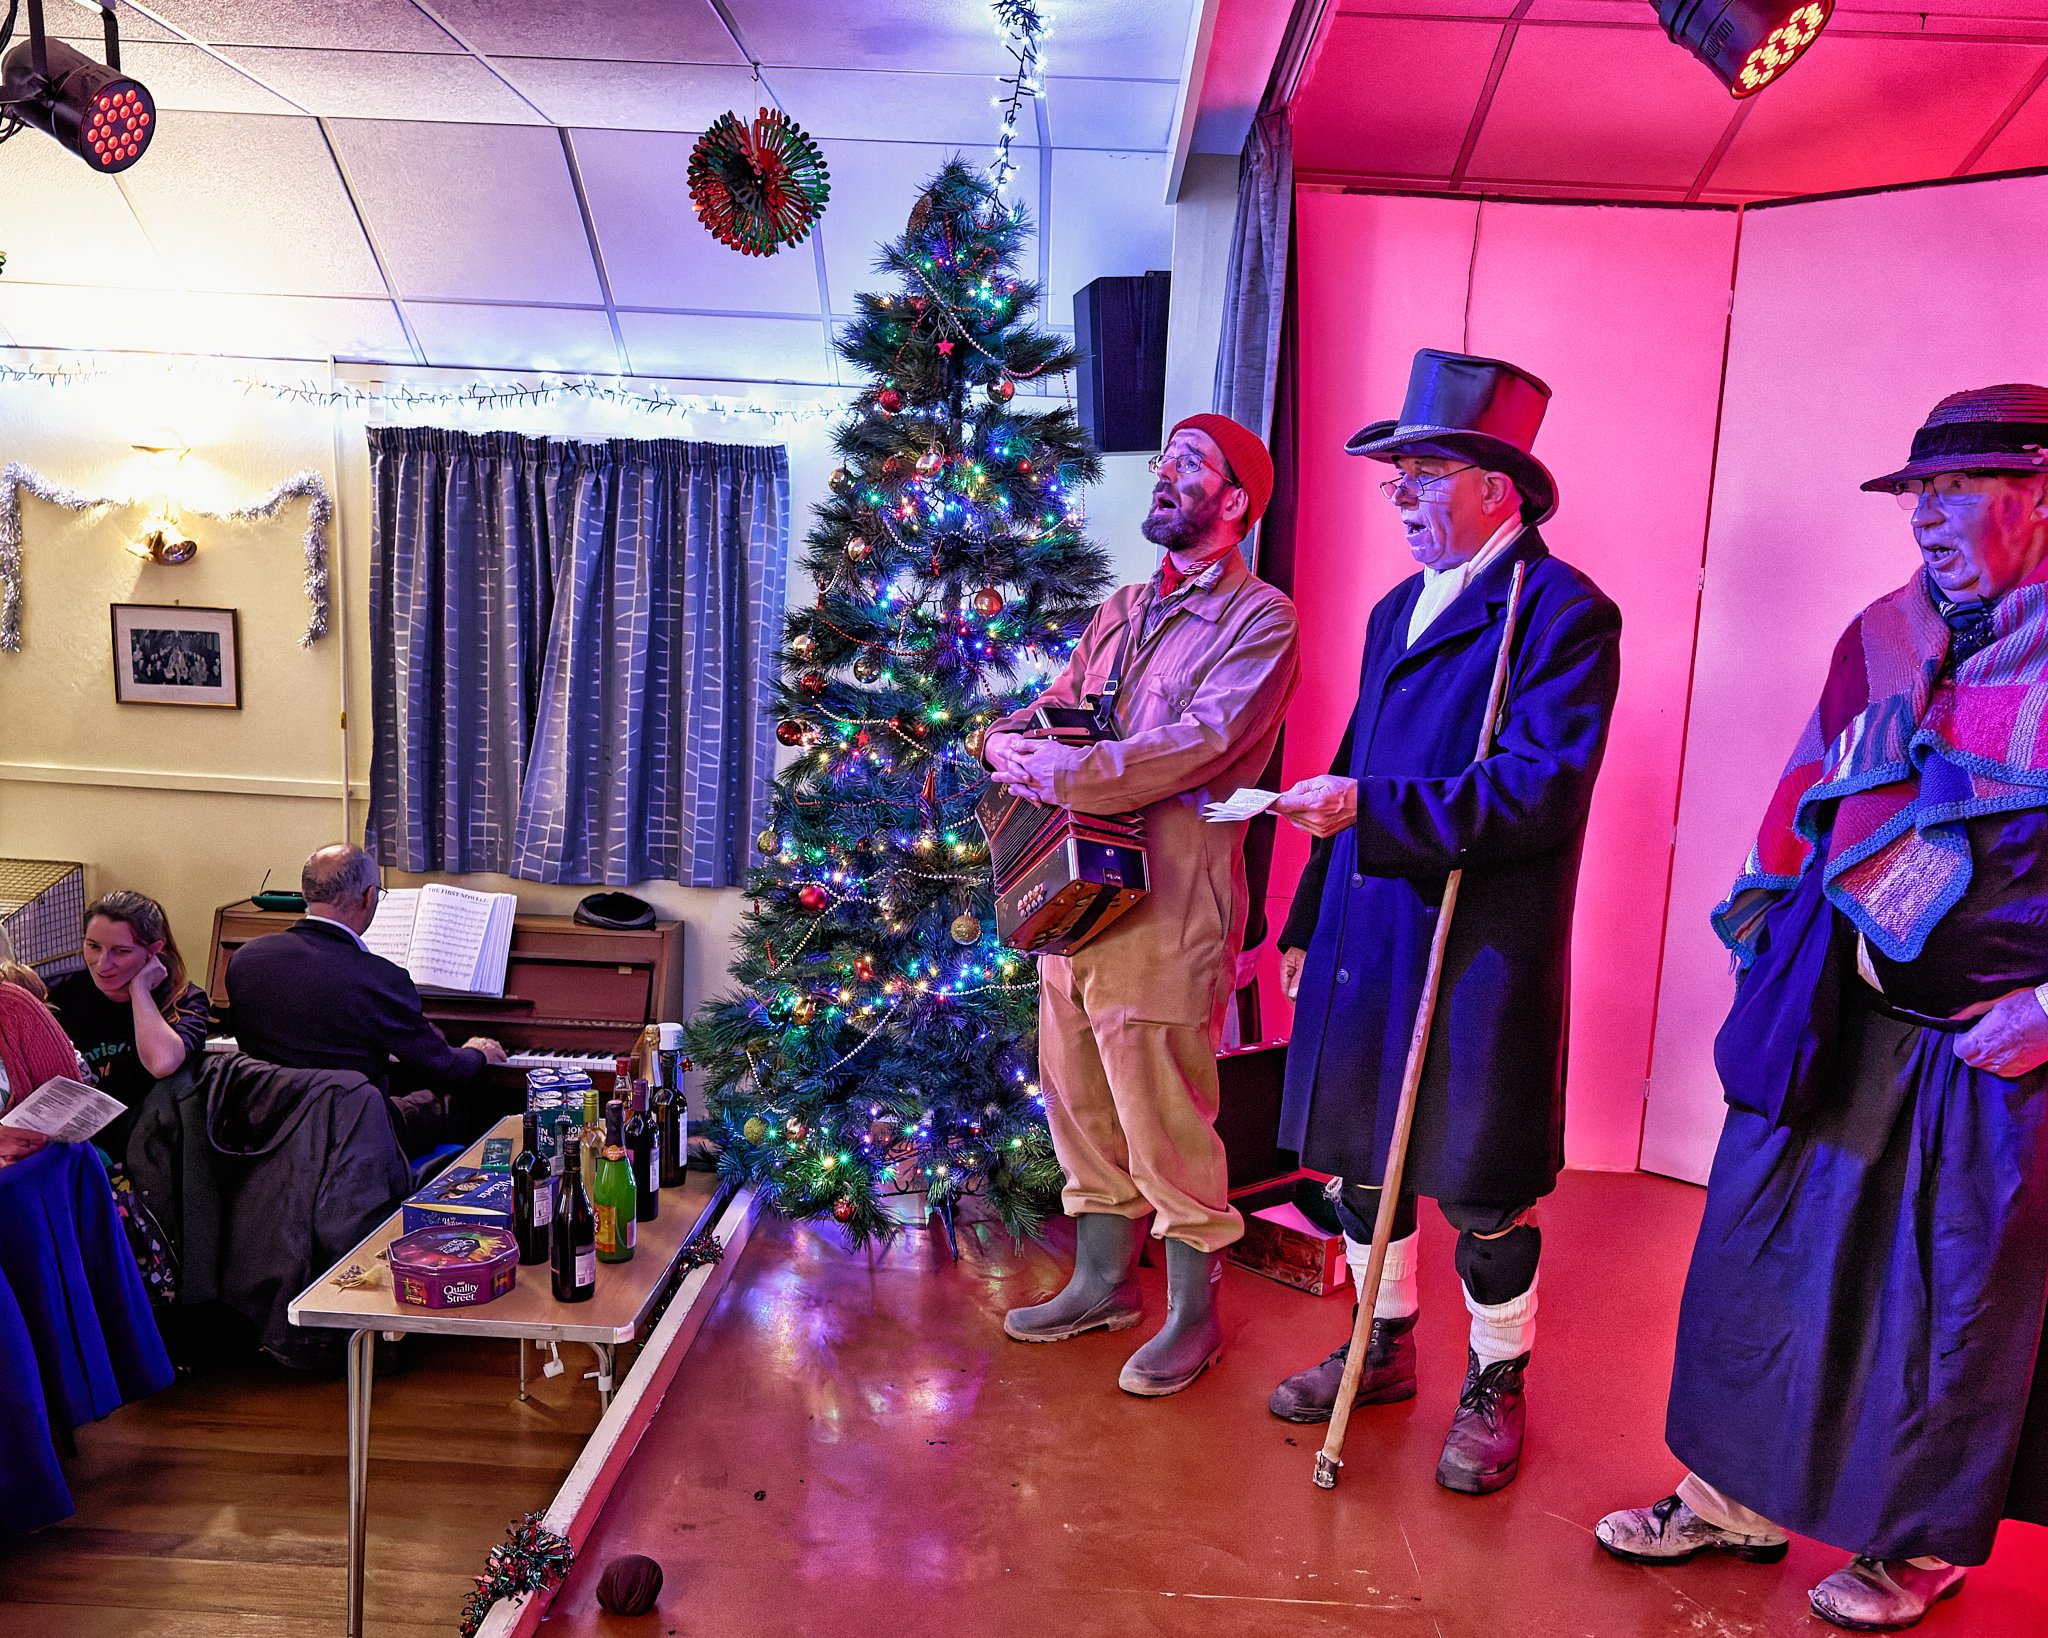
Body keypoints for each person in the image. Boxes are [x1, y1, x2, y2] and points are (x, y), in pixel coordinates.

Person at [1596, 384, 2048, 1631]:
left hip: (1992, 1048)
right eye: (1917, 495)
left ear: (2041, 496)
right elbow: (1809, 779)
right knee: (1760, 1261)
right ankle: (1731, 1492)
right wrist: (1770, 943)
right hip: (1839, 1011)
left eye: (1957, 491)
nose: (1927, 519)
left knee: (1944, 1302)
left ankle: (1915, 1542)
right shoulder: (1882, 636)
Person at [1264, 349, 1621, 1495]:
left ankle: (1495, 1376)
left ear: (1494, 488)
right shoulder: (1390, 612)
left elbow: (1538, 789)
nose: (1400, 500)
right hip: (1370, 926)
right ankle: (1381, 1344)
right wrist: (1306, 918)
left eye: (1419, 476)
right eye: (1393, 481)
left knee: (1477, 1179)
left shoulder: (1561, 614)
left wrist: (1370, 809)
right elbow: (1348, 762)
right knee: (1364, 1162)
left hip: (1479, 943)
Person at [984, 412, 1301, 1396]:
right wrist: (1009, 738)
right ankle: (1099, 1284)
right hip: (1075, 901)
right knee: (1076, 1095)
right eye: (1161, 459)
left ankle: (1192, 1318)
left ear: (1235, 502)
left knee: (1164, 1115)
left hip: (1171, 908)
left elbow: (1199, 743)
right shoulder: (1121, 607)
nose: (1164, 475)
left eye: (1187, 464)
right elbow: (1065, 700)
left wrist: (1068, 771)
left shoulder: (1262, 620)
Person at [224, 844, 505, 1155]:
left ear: (307, 892)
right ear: (370, 896)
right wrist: (477, 1053)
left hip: (265, 1129)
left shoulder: (245, 959)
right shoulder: (378, 978)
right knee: (464, 1099)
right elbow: (444, 1067)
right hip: (352, 1135)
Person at [48, 890, 211, 1163]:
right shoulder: (62, 993)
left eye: (121, 951)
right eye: (93, 946)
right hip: (73, 1147)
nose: (103, 964)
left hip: (148, 1153)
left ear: (154, 951)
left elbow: (161, 1063)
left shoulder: (184, 1000)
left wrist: (140, 991)